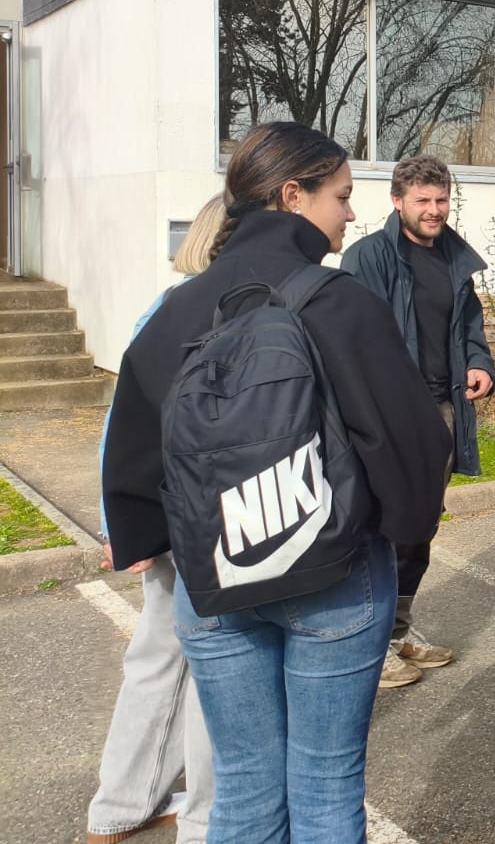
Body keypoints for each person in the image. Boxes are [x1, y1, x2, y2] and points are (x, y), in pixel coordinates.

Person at [102, 122, 453, 843]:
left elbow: (135, 442)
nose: (351, 215)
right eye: (341, 196)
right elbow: (411, 441)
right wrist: (405, 529)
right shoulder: (339, 300)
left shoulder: (175, 309)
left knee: (244, 790)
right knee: (324, 788)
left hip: (215, 577)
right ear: (293, 196)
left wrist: (143, 533)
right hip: (334, 569)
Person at [87, 196, 225, 844]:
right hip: (211, 515)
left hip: (161, 507)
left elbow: (123, 420)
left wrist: (122, 513)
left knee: (158, 659)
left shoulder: (163, 306)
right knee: (216, 663)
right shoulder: (229, 308)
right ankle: (203, 819)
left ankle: (120, 806)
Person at [341, 154, 495, 688]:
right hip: (393, 415)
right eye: (423, 201)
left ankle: (398, 630)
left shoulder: (453, 258)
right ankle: (370, 642)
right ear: (397, 201)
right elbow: (356, 343)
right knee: (386, 528)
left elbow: (468, 323)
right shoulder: (369, 258)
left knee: (421, 527)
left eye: (442, 199)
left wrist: (479, 362)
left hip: (443, 411)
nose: (434, 210)